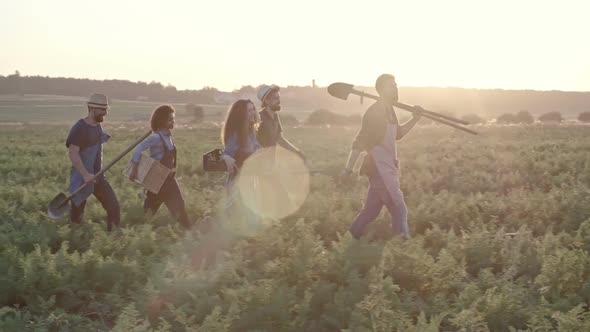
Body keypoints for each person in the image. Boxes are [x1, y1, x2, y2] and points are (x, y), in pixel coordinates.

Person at [342, 74, 422, 239]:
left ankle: (349, 240)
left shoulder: (389, 110)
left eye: (395, 85)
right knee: (399, 208)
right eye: (390, 86)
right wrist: (347, 170)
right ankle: (403, 247)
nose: (395, 88)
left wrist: (415, 118)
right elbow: (358, 143)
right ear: (381, 90)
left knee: (370, 211)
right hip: (380, 169)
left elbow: (397, 134)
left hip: (388, 168)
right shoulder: (374, 114)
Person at [129, 105, 191, 229]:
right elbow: (138, 148)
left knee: (176, 207)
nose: (173, 122)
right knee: (150, 210)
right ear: (162, 120)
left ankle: (188, 232)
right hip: (157, 179)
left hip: (168, 179)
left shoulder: (168, 137)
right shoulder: (156, 137)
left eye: (173, 119)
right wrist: (134, 168)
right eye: (170, 119)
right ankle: (135, 232)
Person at [66, 93, 120, 231]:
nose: (106, 113)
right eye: (103, 110)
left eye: (106, 109)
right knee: (76, 219)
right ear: (93, 109)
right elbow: (73, 152)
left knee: (113, 207)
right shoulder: (80, 128)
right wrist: (85, 175)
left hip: (98, 177)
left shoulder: (97, 127)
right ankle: (74, 243)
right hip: (82, 179)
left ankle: (112, 240)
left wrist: (95, 173)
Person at [220, 99, 262, 221]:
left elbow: (257, 149)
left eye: (253, 109)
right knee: (235, 215)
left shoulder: (250, 132)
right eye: (249, 110)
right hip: (238, 181)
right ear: (241, 114)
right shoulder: (236, 133)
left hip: (250, 179)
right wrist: (226, 157)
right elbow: (227, 153)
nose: (253, 112)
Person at [256, 85, 305, 160]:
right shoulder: (259, 118)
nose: (279, 101)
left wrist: (297, 152)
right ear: (267, 101)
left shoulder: (275, 117)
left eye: (279, 97)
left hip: (270, 163)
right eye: (275, 98)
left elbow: (279, 139)